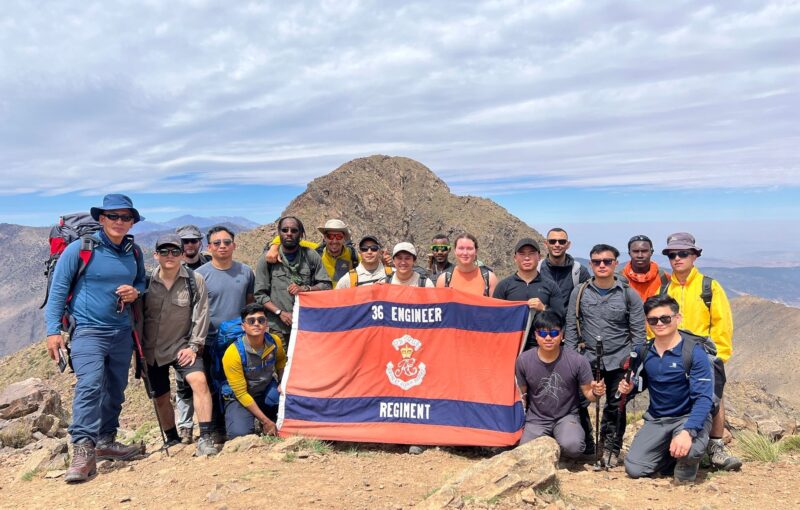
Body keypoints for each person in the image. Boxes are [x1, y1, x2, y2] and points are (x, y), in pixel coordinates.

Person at [44, 194, 146, 483]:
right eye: (113, 216)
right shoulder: (80, 249)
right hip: (88, 330)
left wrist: (136, 291)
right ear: (101, 219)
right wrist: (53, 331)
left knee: (116, 386)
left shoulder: (133, 252)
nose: (120, 222)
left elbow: (141, 280)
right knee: (90, 384)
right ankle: (83, 450)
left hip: (121, 331)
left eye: (126, 217)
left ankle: (106, 440)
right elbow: (59, 290)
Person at [660, 232, 740, 471]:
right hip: (673, 354)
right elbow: (656, 324)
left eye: (683, 253)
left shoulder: (709, 286)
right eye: (672, 254)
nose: (677, 258)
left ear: (694, 256)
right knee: (676, 397)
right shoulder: (665, 289)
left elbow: (722, 323)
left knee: (714, 398)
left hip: (705, 354)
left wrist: (718, 357)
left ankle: (716, 447)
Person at [564, 244, 646, 467]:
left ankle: (610, 447)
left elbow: (639, 335)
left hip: (620, 360)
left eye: (607, 261)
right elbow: (571, 327)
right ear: (590, 264)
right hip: (587, 359)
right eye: (597, 261)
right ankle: (588, 445)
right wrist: (570, 361)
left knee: (616, 405)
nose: (602, 265)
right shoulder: (579, 292)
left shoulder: (630, 295)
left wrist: (633, 365)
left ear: (615, 263)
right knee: (579, 401)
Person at [620, 294, 714, 483]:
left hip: (687, 417)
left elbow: (704, 398)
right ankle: (672, 454)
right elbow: (642, 382)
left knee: (688, 452)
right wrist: (630, 388)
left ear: (677, 318)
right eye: (653, 320)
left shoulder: (694, 352)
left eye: (665, 318)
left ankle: (691, 453)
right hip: (657, 419)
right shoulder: (644, 351)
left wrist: (688, 432)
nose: (659, 324)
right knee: (634, 468)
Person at [141, 234, 217, 456]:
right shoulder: (145, 283)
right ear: (156, 255)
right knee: (161, 396)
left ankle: (205, 437)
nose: (170, 256)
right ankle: (172, 438)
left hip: (182, 346)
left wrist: (194, 346)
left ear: (182, 255)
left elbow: (201, 314)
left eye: (175, 251)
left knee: (199, 382)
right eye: (164, 251)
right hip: (152, 350)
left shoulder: (195, 280)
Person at [516, 311, 606, 458]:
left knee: (574, 447)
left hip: (566, 417)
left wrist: (597, 392)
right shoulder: (523, 360)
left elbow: (590, 395)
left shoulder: (577, 360)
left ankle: (562, 440)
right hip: (536, 419)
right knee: (525, 453)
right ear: (535, 336)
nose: (549, 338)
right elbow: (521, 396)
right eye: (543, 334)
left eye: (554, 333)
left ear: (562, 335)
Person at [196, 225, 256, 444]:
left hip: (238, 340)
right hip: (209, 339)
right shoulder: (200, 275)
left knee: (235, 383)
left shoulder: (246, 272)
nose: (222, 246)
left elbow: (250, 304)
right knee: (211, 385)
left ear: (234, 245)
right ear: (209, 247)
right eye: (217, 243)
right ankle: (213, 429)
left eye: (227, 242)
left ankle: (237, 424)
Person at [254, 216, 331, 347]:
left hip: (307, 325)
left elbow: (326, 285)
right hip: (278, 327)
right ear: (279, 233)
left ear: (301, 234)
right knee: (281, 365)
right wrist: (280, 313)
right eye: (285, 230)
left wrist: (305, 289)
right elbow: (260, 295)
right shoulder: (267, 259)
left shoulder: (311, 256)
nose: (289, 233)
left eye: (294, 230)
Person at [222, 304, 286, 439]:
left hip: (266, 389)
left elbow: (281, 362)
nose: (256, 324)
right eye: (251, 321)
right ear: (243, 326)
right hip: (240, 397)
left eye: (261, 320)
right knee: (239, 435)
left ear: (266, 323)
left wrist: (282, 382)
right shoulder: (233, 354)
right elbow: (241, 393)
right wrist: (266, 421)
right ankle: (248, 418)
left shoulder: (275, 341)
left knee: (288, 406)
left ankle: (264, 415)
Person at [173, 223, 211, 442]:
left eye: (193, 241)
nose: (189, 245)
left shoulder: (208, 265)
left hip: (207, 331)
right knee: (183, 382)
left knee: (207, 380)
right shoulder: (172, 267)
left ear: (200, 242)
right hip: (182, 334)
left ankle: (210, 424)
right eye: (185, 241)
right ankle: (185, 427)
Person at [493, 238, 564, 350]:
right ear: (515, 258)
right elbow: (495, 318)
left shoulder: (551, 286)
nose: (527, 258)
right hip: (510, 346)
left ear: (539, 257)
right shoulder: (503, 286)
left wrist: (543, 308)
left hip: (542, 347)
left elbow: (560, 317)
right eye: (522, 254)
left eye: (531, 254)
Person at [538, 228, 591, 312]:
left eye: (562, 241)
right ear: (546, 244)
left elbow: (589, 302)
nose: (557, 245)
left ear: (568, 244)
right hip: (542, 324)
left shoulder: (579, 271)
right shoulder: (537, 269)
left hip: (569, 324)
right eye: (552, 241)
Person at [620, 235, 670, 302]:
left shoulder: (665, 278)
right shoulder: (618, 278)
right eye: (635, 251)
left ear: (651, 252)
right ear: (629, 253)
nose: (640, 255)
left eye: (644, 251)